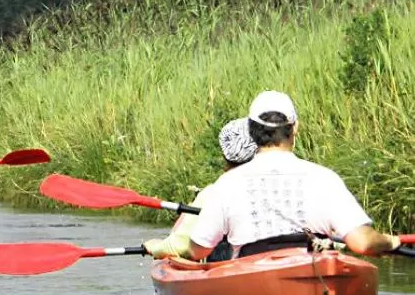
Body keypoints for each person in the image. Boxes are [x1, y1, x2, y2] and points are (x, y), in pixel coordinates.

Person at [145, 91, 400, 261]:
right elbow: (363, 243)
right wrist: (390, 241)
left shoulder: (226, 184)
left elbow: (199, 249)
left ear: (252, 131)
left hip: (250, 278)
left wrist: (166, 248)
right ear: (295, 128)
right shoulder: (325, 178)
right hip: (314, 266)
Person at [146, 117, 257, 262]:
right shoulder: (275, 184)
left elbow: (180, 245)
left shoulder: (214, 192)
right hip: (270, 260)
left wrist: (154, 247)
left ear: (225, 156)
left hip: (231, 267)